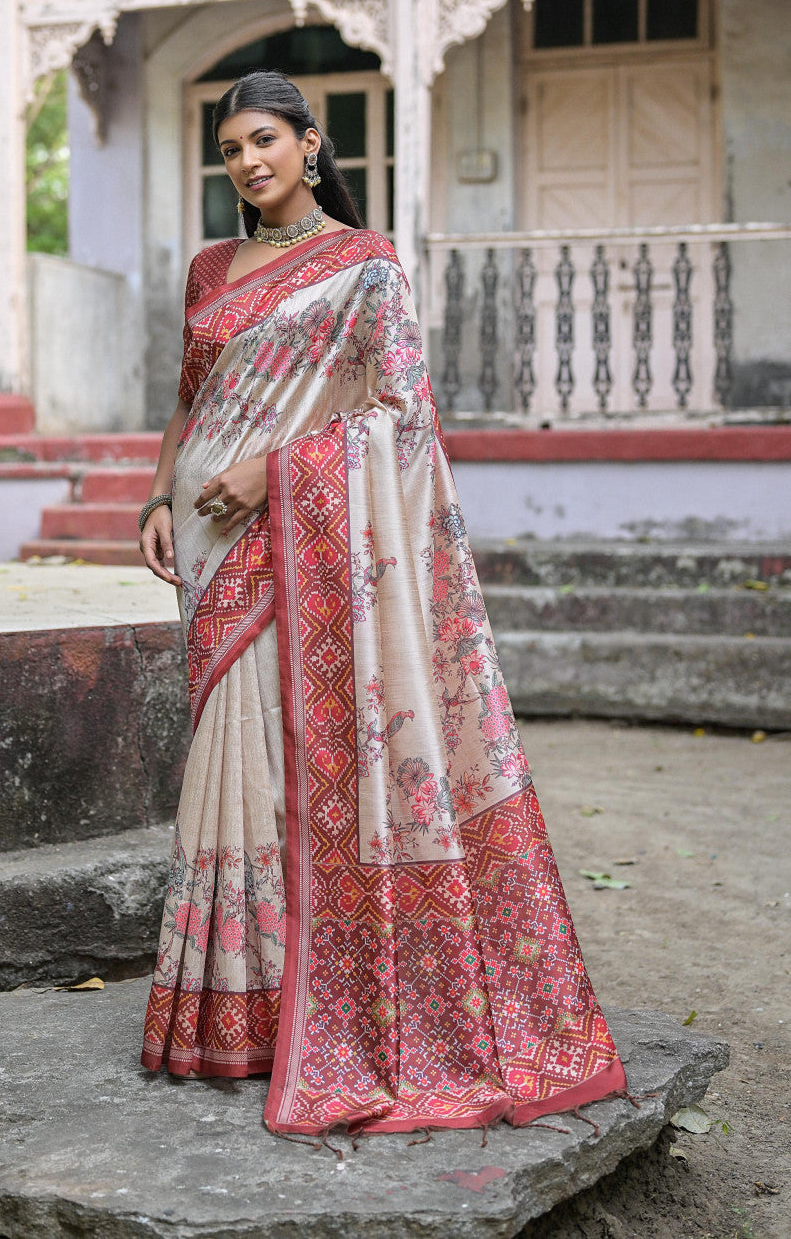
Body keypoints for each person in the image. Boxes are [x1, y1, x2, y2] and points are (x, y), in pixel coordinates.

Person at [137, 70, 625, 1137]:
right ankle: (232, 1005)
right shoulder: (210, 269)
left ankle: (291, 1011)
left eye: (264, 140)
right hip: (206, 537)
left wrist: (275, 474)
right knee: (226, 755)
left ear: (311, 145)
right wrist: (156, 496)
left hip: (288, 528)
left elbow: (401, 416)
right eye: (230, 150)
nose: (248, 162)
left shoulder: (364, 267)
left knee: (271, 756)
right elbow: (188, 400)